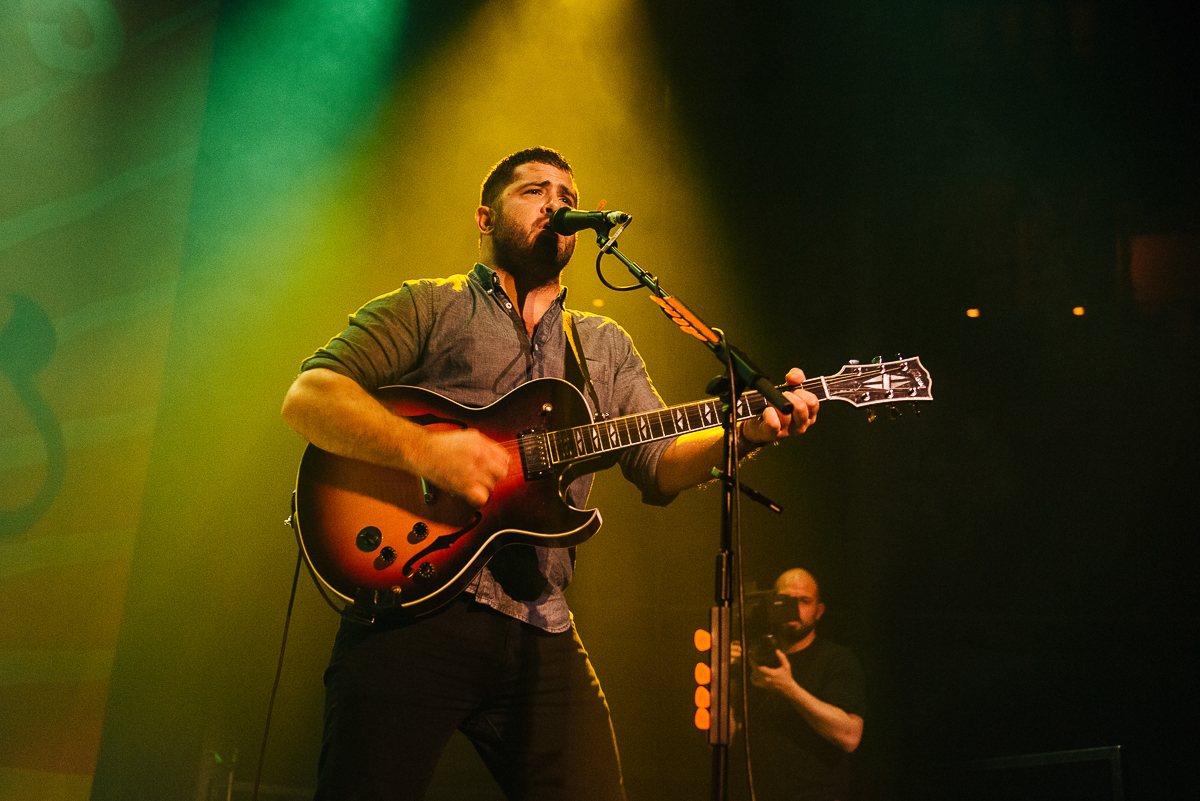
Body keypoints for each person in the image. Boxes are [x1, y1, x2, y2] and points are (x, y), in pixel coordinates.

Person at [281, 146, 820, 801]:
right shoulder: (429, 306)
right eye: (535, 190)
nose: (557, 203)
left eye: (566, 193)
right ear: (485, 217)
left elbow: (660, 464)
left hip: (541, 628)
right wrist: (426, 453)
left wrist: (749, 431)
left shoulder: (603, 344)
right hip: (415, 609)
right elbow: (310, 397)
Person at [732, 568, 866, 801]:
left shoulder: (837, 659)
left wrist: (789, 688)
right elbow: (729, 736)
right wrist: (721, 679)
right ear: (771, 604)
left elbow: (850, 737)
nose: (794, 609)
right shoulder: (754, 658)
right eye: (785, 601)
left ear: (819, 611)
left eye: (804, 601)